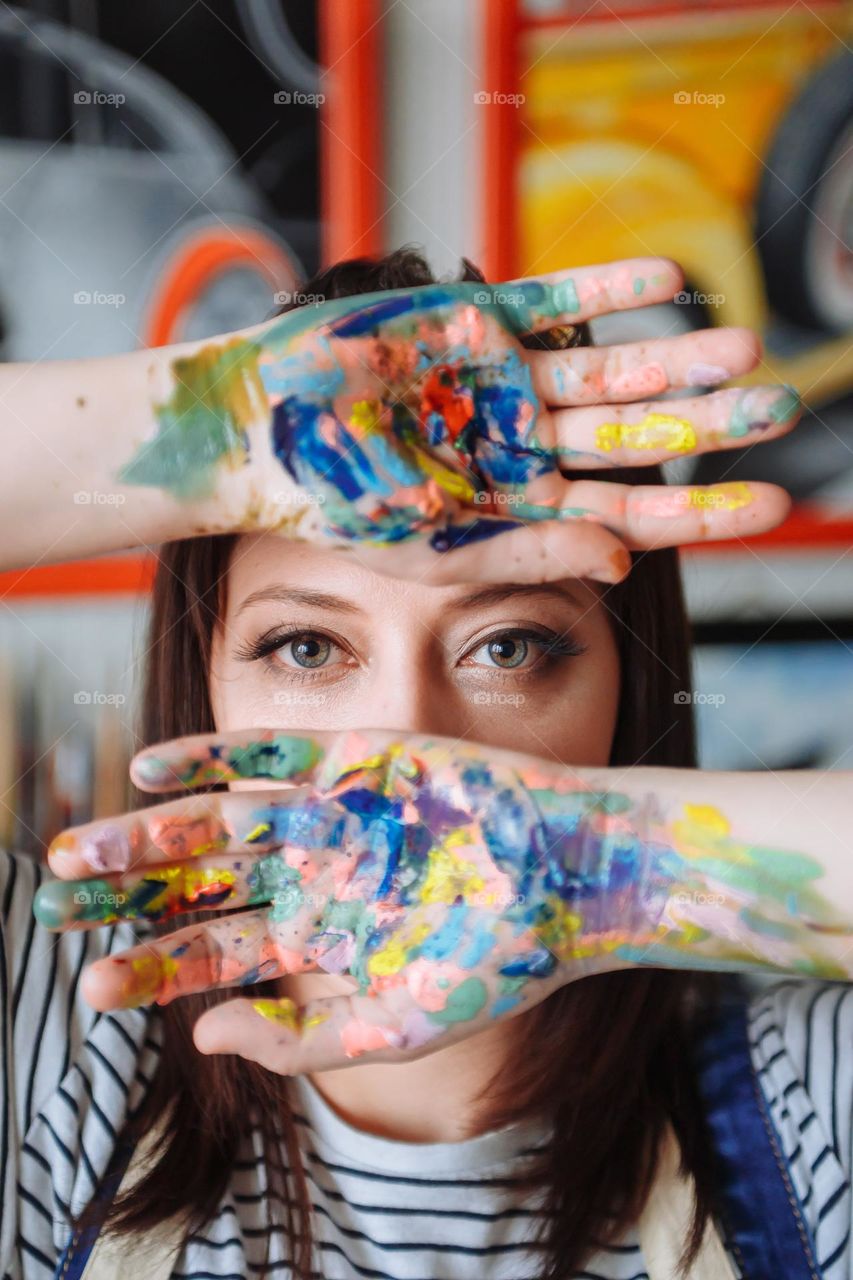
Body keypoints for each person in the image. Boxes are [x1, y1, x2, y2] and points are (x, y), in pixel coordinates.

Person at [1, 249, 850, 1280]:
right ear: (204, 675)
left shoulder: (810, 1097)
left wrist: (619, 865)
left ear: (628, 685)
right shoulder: (55, 1043)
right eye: (307, 648)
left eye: (509, 647)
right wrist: (212, 429)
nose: (405, 750)